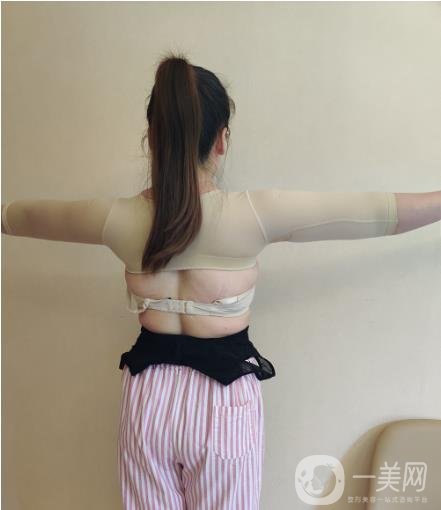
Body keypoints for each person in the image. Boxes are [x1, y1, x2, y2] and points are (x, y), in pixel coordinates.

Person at [2, 52, 440, 510]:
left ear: (153, 137)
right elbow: (379, 214)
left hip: (147, 399)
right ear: (222, 139)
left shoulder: (118, 219)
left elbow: (24, 217)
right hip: (222, 400)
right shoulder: (252, 215)